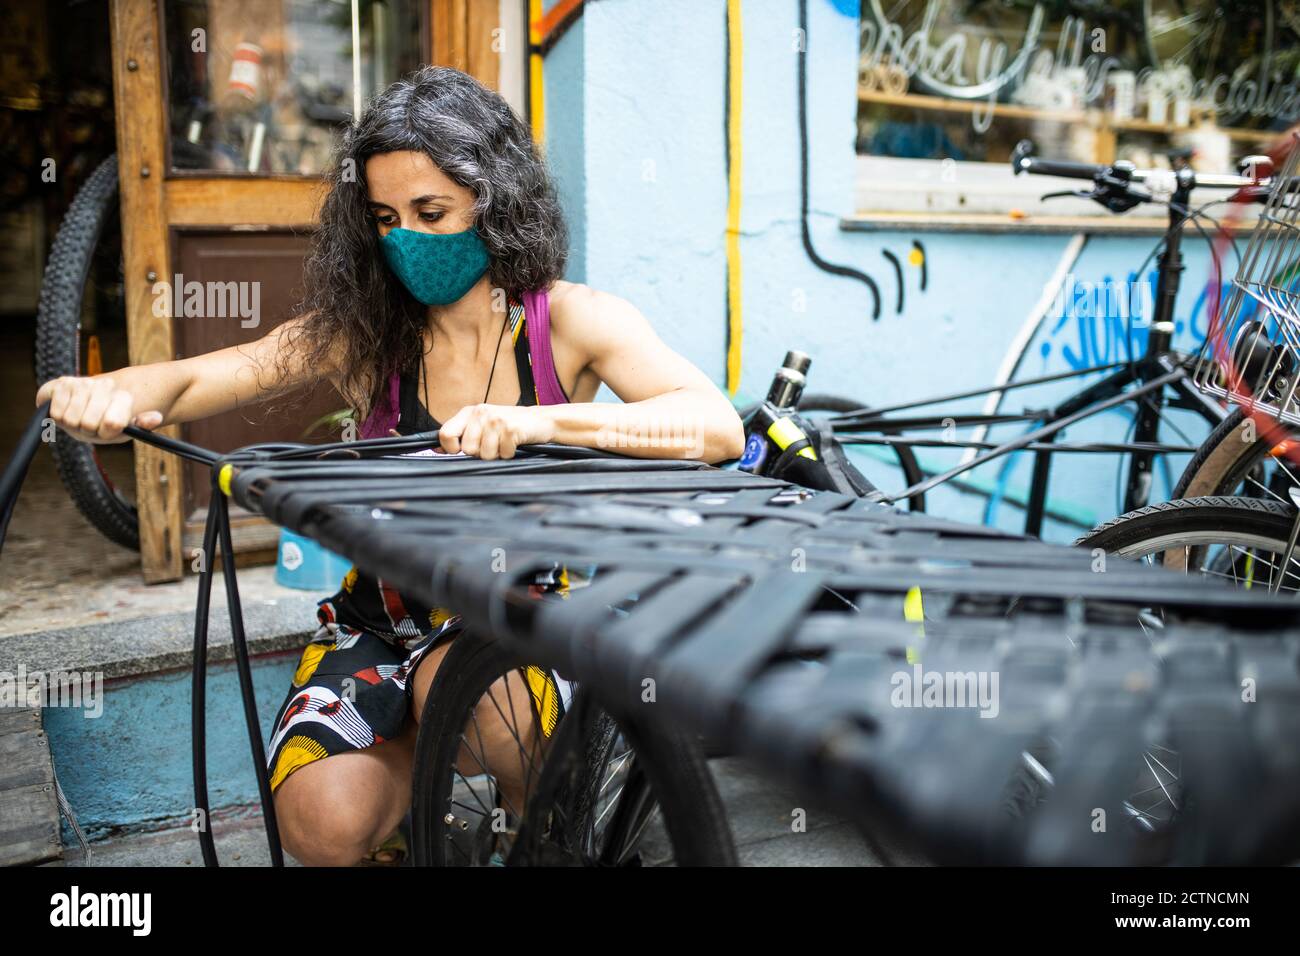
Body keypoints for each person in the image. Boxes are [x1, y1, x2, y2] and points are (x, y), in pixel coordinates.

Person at [36, 65, 744, 865]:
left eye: (431, 211)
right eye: (384, 217)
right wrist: (118, 390)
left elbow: (712, 424)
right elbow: (214, 373)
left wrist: (537, 420)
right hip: (381, 619)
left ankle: (544, 831)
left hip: (520, 613)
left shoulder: (571, 322)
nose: (405, 236)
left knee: (468, 684)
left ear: (497, 197)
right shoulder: (370, 332)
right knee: (319, 825)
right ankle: (424, 818)